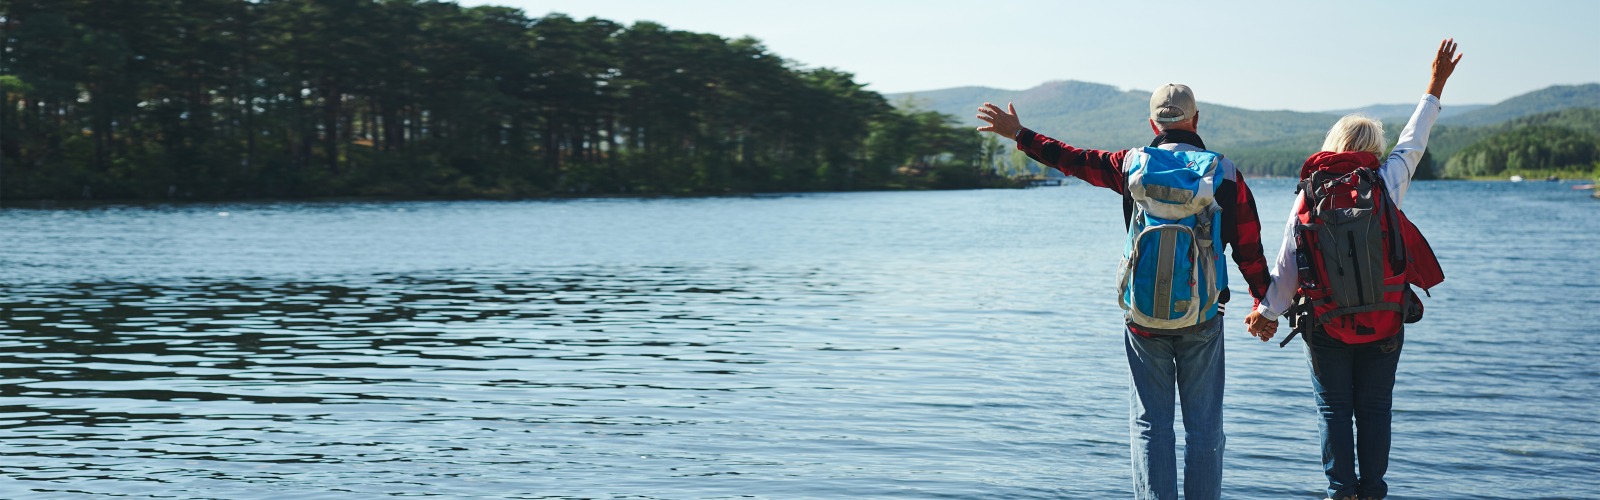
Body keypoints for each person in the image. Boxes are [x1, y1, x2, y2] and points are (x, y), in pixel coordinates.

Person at [977, 85, 1272, 500]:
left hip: (1143, 318)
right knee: (1204, 429)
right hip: (1203, 316)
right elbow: (1249, 248)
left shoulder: (1130, 164)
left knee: (1151, 426)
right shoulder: (1224, 173)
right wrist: (1266, 303)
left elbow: (1074, 160)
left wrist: (1021, 135)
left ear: (1154, 123)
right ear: (1196, 120)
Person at [1244, 38, 1463, 500]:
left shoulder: (1308, 194)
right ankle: (1374, 492)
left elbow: (1288, 266)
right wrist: (1435, 84)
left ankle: (1340, 493)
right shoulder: (1384, 183)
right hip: (1384, 321)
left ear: (1333, 145)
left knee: (1334, 412)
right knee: (1376, 410)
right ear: (1373, 150)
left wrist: (1266, 313)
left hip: (1326, 325)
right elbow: (1414, 141)